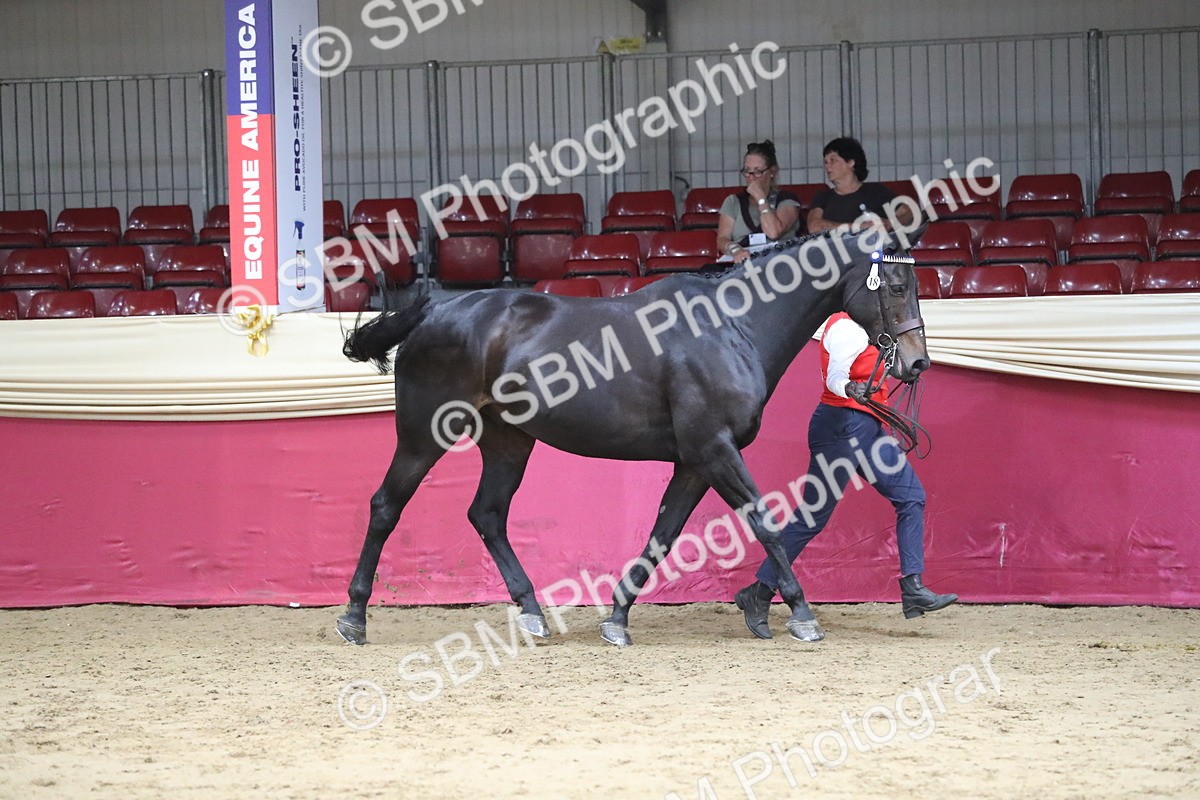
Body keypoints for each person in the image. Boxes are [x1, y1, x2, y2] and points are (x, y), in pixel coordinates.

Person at [734, 311, 957, 641]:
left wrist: (906, 369)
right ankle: (760, 591)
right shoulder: (844, 326)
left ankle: (913, 587)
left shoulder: (872, 328)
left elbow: (879, 368)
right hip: (840, 426)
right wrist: (850, 387)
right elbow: (835, 377)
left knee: (911, 498)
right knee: (811, 518)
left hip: (867, 427)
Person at [806, 136, 915, 234]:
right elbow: (814, 226)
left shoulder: (876, 191)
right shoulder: (823, 196)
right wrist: (861, 227)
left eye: (832, 160)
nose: (827, 166)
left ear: (850, 162)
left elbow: (908, 212)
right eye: (826, 162)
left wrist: (890, 223)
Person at [716, 140, 802, 262]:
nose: (751, 177)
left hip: (782, 263)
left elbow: (773, 232)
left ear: (772, 172)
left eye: (757, 172)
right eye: (747, 171)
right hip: (745, 263)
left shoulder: (787, 200)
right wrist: (736, 250)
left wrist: (760, 198)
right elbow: (722, 239)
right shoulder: (733, 202)